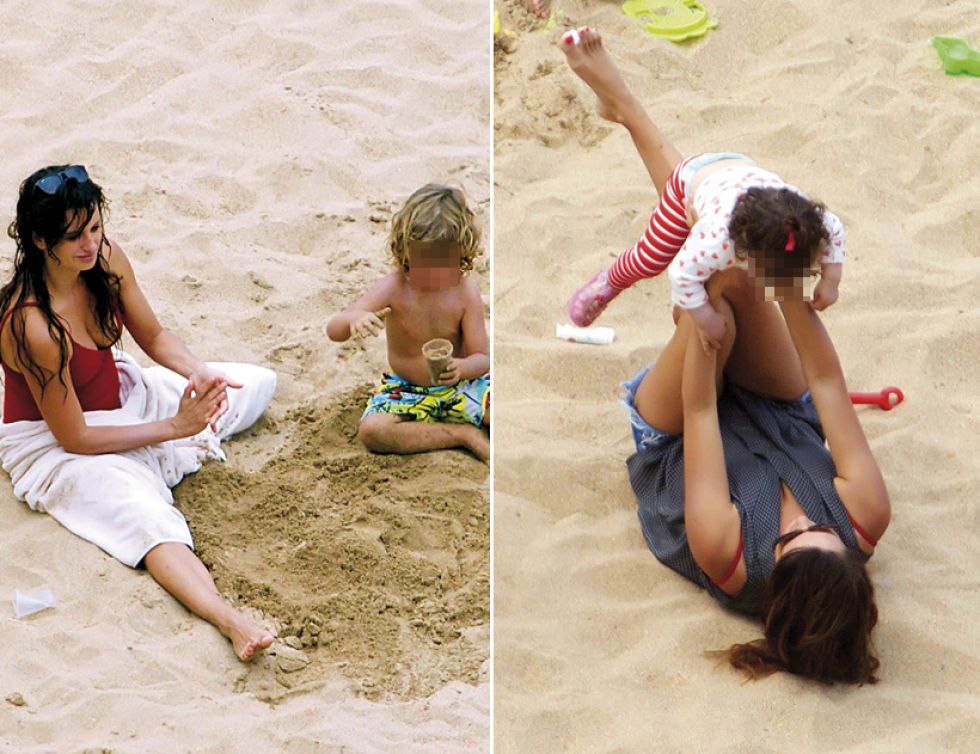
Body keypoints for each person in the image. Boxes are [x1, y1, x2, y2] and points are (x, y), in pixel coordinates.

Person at [562, 31, 891, 683]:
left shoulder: (729, 549)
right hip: (779, 414)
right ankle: (634, 117)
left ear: (776, 577)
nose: (800, 522)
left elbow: (701, 407)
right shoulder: (867, 515)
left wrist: (708, 330)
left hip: (682, 434)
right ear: (852, 553)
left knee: (714, 288)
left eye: (790, 538)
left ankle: (627, 106)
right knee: (742, 267)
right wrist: (792, 286)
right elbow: (823, 378)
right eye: (818, 528)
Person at [0, 165, 276, 661]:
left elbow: (153, 336)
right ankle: (227, 618)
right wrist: (175, 428)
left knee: (255, 387)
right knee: (148, 522)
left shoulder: (104, 259)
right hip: (60, 444)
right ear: (41, 241)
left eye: (94, 228)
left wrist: (198, 372)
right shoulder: (32, 324)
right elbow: (75, 438)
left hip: (127, 397)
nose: (90, 244)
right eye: (74, 236)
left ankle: (172, 444)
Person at [562, 27, 845, 358]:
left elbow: (836, 231)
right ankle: (609, 281)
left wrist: (830, 279)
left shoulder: (811, 223)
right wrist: (706, 318)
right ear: (742, 251)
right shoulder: (716, 239)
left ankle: (619, 106)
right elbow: (682, 277)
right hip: (691, 181)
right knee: (652, 256)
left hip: (735, 169)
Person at [327, 184, 490, 462]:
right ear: (404, 251)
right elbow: (334, 330)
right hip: (407, 390)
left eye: (443, 264)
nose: (432, 274)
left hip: (462, 386)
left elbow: (483, 358)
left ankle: (461, 424)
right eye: (423, 263)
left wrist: (462, 368)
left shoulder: (464, 293)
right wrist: (355, 319)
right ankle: (461, 434)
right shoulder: (393, 288)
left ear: (462, 254)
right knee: (372, 432)